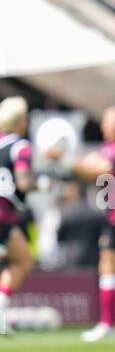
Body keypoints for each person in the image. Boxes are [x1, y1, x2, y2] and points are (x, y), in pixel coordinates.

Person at [47, 106, 115, 341]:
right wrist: (69, 161)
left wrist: (63, 159)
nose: (104, 126)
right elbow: (89, 164)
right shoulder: (113, 148)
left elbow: (97, 170)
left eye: (108, 122)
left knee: (109, 265)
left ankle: (108, 324)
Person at [0, 97, 35, 334]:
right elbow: (23, 182)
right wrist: (41, 184)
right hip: (4, 213)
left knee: (21, 258)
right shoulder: (21, 146)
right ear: (21, 121)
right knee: (23, 260)